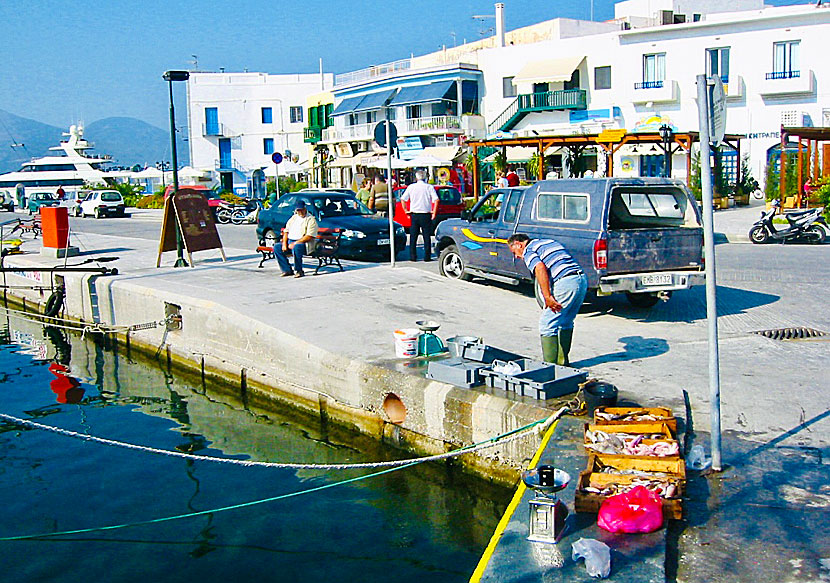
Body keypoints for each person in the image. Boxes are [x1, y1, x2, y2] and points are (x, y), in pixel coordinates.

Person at [507, 233, 587, 366]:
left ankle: (550, 367)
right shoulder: (547, 242)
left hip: (565, 281)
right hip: (580, 279)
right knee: (566, 321)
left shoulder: (529, 250)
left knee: (547, 324)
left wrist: (547, 297)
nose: (516, 256)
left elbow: (539, 268)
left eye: (514, 252)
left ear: (518, 244)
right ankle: (563, 363)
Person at [402, 170, 439, 262]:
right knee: (426, 236)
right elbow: (436, 200)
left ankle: (413, 256)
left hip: (415, 214)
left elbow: (403, 199)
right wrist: (434, 212)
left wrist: (406, 210)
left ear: (416, 177)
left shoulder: (411, 187)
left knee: (413, 236)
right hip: (426, 214)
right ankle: (427, 256)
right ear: (425, 177)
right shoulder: (429, 187)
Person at [277, 200, 318, 278]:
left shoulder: (311, 219)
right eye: (298, 210)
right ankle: (286, 270)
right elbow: (286, 231)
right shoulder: (293, 218)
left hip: (304, 243)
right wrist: (284, 244)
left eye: (302, 210)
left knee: (297, 247)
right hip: (290, 240)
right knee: (277, 247)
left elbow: (310, 236)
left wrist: (296, 243)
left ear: (305, 208)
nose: (300, 212)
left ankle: (299, 270)